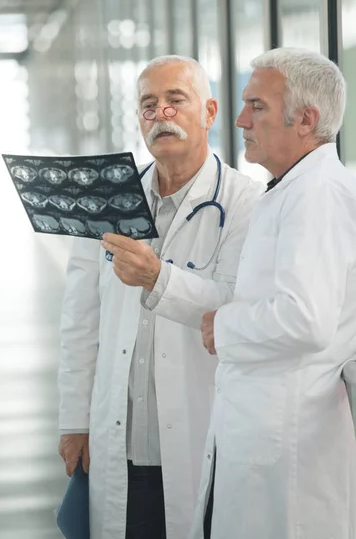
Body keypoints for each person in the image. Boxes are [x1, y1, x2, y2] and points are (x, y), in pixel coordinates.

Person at [57, 55, 263, 539]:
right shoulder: (108, 199)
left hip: (200, 435)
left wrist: (158, 279)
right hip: (119, 441)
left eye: (176, 100)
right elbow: (80, 319)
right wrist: (73, 420)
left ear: (210, 112)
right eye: (149, 105)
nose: (161, 114)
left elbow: (235, 307)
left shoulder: (247, 204)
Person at [193, 47, 356, 539]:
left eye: (257, 106)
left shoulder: (318, 195)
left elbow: (305, 318)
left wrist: (222, 326)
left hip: (291, 442)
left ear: (306, 119)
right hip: (266, 429)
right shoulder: (292, 188)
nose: (241, 119)